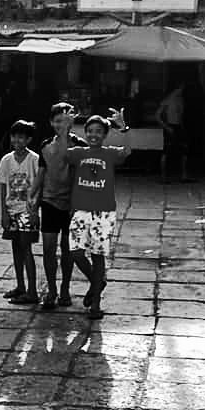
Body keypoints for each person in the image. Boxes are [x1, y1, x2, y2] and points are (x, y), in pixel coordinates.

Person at [65, 110, 131, 321]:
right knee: (75, 252)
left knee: (97, 255)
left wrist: (124, 128)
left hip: (103, 212)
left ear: (105, 135)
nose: (94, 135)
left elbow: (127, 151)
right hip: (80, 210)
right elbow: (60, 151)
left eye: (99, 132)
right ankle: (97, 282)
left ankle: (95, 305)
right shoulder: (78, 153)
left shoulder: (109, 153)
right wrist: (67, 125)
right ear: (85, 133)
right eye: (90, 131)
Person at [33, 102, 86, 311]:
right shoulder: (46, 145)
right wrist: (33, 196)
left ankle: (64, 288)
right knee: (48, 248)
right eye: (57, 121)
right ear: (50, 122)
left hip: (71, 205)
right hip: (49, 201)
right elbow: (42, 172)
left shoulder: (79, 145)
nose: (60, 124)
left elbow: (73, 165)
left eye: (64, 120)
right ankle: (52, 289)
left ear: (72, 121)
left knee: (67, 249)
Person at [0, 120, 40, 305]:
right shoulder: (7, 160)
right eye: (14, 136)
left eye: (21, 136)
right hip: (11, 209)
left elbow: (39, 185)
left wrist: (35, 209)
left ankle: (32, 291)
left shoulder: (34, 159)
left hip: (27, 211)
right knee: (16, 248)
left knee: (26, 249)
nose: (17, 140)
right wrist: (3, 212)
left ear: (28, 139)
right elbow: (3, 187)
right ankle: (20, 286)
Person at [156, 83, 189, 182]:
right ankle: (163, 176)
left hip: (179, 126)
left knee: (183, 150)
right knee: (166, 151)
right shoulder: (167, 100)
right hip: (170, 126)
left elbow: (181, 115)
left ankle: (184, 175)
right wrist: (166, 127)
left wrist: (183, 127)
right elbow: (157, 116)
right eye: (180, 89)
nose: (181, 91)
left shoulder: (181, 100)